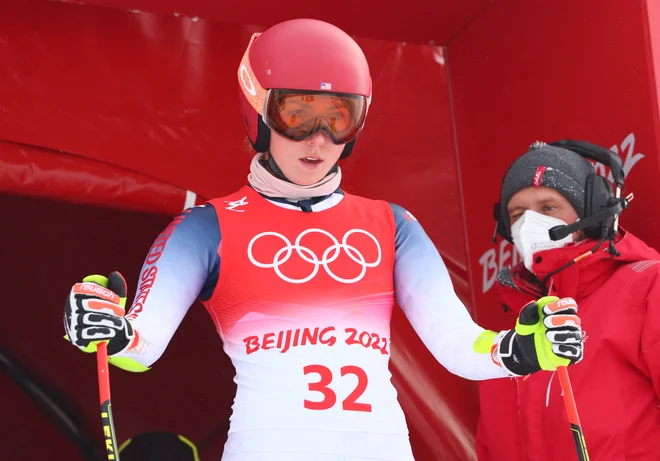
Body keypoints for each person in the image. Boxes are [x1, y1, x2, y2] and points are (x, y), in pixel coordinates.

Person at [63, 19, 584, 461]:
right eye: (299, 114)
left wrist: (520, 349)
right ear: (259, 112)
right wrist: (104, 325)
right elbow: (140, 348)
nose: (319, 139)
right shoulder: (205, 227)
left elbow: (457, 345)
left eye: (339, 117)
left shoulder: (392, 225)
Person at [476, 140, 660, 461]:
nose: (530, 224)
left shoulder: (648, 288)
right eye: (518, 213)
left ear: (591, 212)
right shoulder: (511, 338)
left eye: (549, 208)